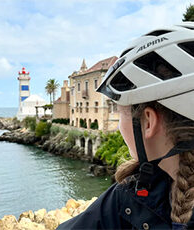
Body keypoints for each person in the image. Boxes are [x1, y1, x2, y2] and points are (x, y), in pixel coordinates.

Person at [57, 22, 194, 230]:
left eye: (119, 111)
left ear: (148, 122)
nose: (119, 124)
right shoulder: (134, 193)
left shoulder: (136, 197)